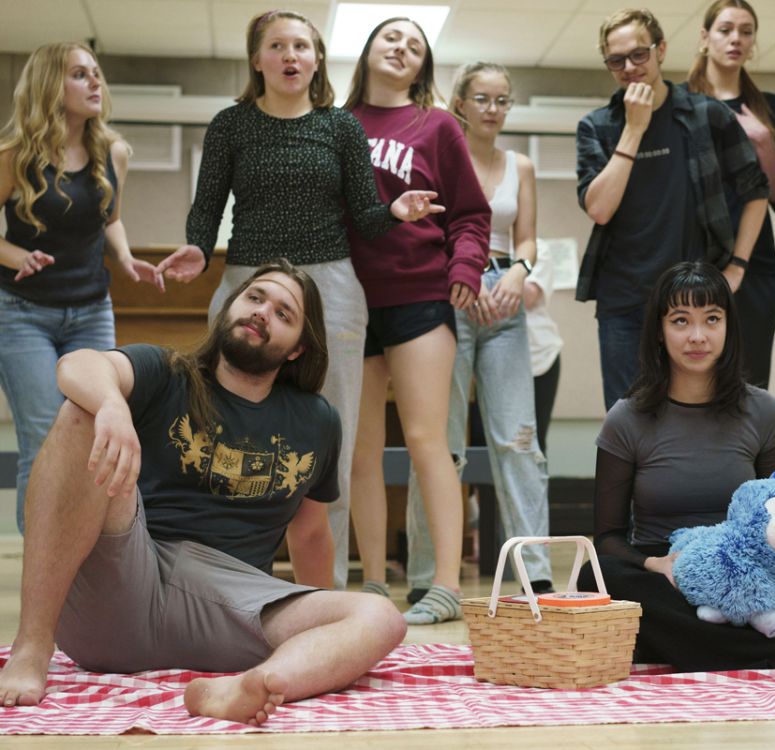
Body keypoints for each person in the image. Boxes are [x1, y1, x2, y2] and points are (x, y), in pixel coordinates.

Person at [0, 260, 406, 724]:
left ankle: (251, 686)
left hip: (234, 609)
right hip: (128, 579)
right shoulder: (168, 372)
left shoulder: (318, 421)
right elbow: (77, 364)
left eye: (283, 313)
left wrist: (323, 623)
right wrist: (112, 404)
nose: (261, 312)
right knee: (82, 413)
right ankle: (32, 645)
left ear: (298, 349)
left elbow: (311, 534)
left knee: (380, 616)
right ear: (230, 305)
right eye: (255, 298)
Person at [154, 10, 441, 591]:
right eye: (277, 46)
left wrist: (394, 211)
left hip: (331, 291)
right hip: (244, 281)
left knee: (324, 439)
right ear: (257, 60)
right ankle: (221, 577)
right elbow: (207, 206)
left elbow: (364, 215)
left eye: (302, 46)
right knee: (222, 430)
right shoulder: (231, 125)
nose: (290, 56)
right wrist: (196, 247)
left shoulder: (339, 127)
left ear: (315, 61)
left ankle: (321, 590)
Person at [579, 261, 775, 672]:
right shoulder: (626, 418)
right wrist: (657, 565)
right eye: (681, 321)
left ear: (729, 327)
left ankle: (688, 646)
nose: (697, 336)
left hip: (751, 575)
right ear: (660, 331)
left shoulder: (764, 412)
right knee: (597, 579)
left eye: (712, 319)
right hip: (666, 576)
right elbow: (608, 538)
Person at [343, 18, 491, 624]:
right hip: (349, 300)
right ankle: (374, 583)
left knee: (429, 442)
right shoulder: (336, 124)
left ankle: (446, 585)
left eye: (415, 43)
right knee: (361, 451)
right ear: (368, 50)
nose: (401, 47)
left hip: (421, 296)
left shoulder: (438, 126)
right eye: (390, 37)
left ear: (423, 66)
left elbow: (472, 214)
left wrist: (466, 266)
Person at [0, 43, 163, 533]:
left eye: (96, 73)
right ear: (52, 85)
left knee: (93, 431)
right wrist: (14, 255)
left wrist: (127, 256)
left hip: (91, 310)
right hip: (22, 311)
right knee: (43, 436)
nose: (95, 82)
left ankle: (82, 569)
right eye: (79, 74)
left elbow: (110, 218)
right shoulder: (13, 156)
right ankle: (44, 569)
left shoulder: (112, 152)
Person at [405, 62, 552, 603]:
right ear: (460, 104)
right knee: (441, 446)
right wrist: (463, 277)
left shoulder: (522, 166)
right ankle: (425, 576)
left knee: (519, 442)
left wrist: (516, 272)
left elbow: (529, 239)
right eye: (483, 98)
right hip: (448, 297)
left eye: (503, 100)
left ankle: (535, 574)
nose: (493, 109)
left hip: (505, 304)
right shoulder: (439, 157)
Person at [576, 7, 769, 411]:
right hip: (624, 302)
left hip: (692, 303)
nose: (629, 67)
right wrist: (634, 128)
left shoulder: (707, 115)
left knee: (702, 418)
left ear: (660, 50)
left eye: (639, 54)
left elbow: (757, 191)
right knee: (628, 424)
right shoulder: (597, 126)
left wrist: (736, 265)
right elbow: (599, 209)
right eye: (617, 60)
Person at [684, 0, 775, 388]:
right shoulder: (680, 105)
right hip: (690, 258)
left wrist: (764, 142)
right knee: (690, 385)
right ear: (704, 37)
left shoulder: (774, 109)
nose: (736, 39)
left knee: (746, 386)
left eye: (746, 31)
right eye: (726, 29)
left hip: (755, 266)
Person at [524, 239, 564, 456]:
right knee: (481, 441)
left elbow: (526, 296)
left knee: (533, 441)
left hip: (539, 359)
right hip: (483, 362)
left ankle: (534, 491)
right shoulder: (469, 241)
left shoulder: (539, 247)